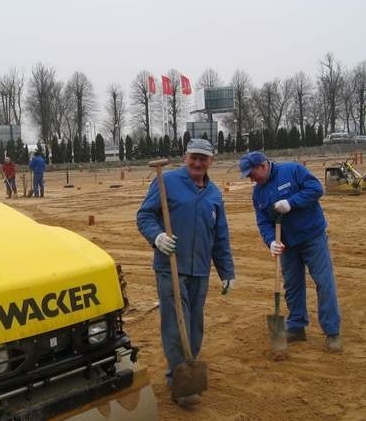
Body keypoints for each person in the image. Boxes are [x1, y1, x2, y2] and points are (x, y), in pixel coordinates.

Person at [137, 139, 235, 406]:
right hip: (171, 267)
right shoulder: (166, 181)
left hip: (200, 268)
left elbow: (220, 236)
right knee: (174, 324)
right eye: (194, 157)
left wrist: (226, 271)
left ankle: (188, 366)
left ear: (211, 162)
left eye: (203, 159)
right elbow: (144, 216)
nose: (198, 163)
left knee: (195, 325)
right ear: (185, 157)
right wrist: (157, 237)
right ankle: (177, 378)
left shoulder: (214, 193)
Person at [239, 151, 342, 353]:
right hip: (286, 244)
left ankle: (332, 332)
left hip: (312, 237)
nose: (251, 179)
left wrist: (291, 203)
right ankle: (296, 326)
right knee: (293, 286)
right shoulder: (258, 193)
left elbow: (315, 189)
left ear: (263, 166)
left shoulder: (292, 170)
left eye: (252, 174)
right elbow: (263, 222)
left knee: (324, 282)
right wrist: (270, 242)